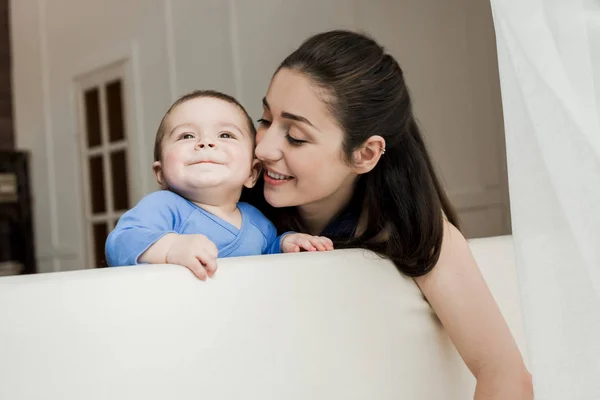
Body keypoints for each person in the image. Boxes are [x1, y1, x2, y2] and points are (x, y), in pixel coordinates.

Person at [243, 30, 533, 399]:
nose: (264, 147)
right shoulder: (232, 208)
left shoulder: (419, 235)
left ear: (364, 154)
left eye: (296, 136)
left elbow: (505, 374)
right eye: (265, 119)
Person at [105, 90, 332, 280]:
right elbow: (120, 243)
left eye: (225, 134)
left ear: (253, 173)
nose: (206, 142)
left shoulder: (258, 222)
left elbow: (267, 255)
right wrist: (171, 248)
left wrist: (286, 244)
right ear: (161, 172)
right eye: (186, 136)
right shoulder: (163, 206)